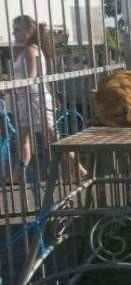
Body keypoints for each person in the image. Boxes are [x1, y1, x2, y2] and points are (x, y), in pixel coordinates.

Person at [10, 15, 86, 184]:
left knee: (51, 138)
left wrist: (12, 84)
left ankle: (79, 169)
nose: (14, 33)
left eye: (17, 30)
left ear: (29, 31)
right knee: (26, 141)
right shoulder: (31, 49)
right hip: (28, 101)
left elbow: (30, 78)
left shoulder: (30, 50)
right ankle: (16, 177)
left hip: (34, 101)